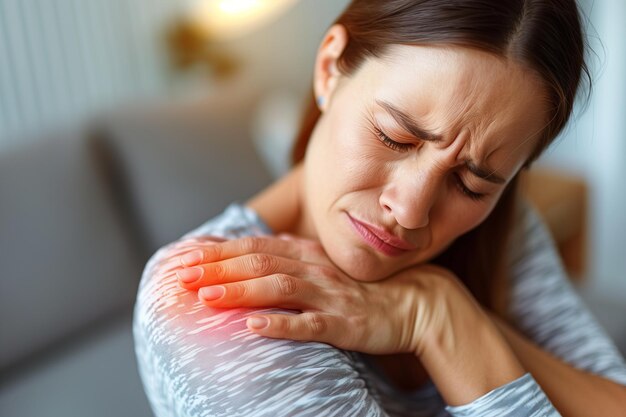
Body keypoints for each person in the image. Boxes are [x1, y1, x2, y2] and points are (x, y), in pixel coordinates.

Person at [133, 1, 626, 416]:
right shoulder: (214, 298)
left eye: (471, 183)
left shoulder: (501, 224)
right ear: (330, 69)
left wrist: (445, 316)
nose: (411, 211)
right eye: (395, 136)